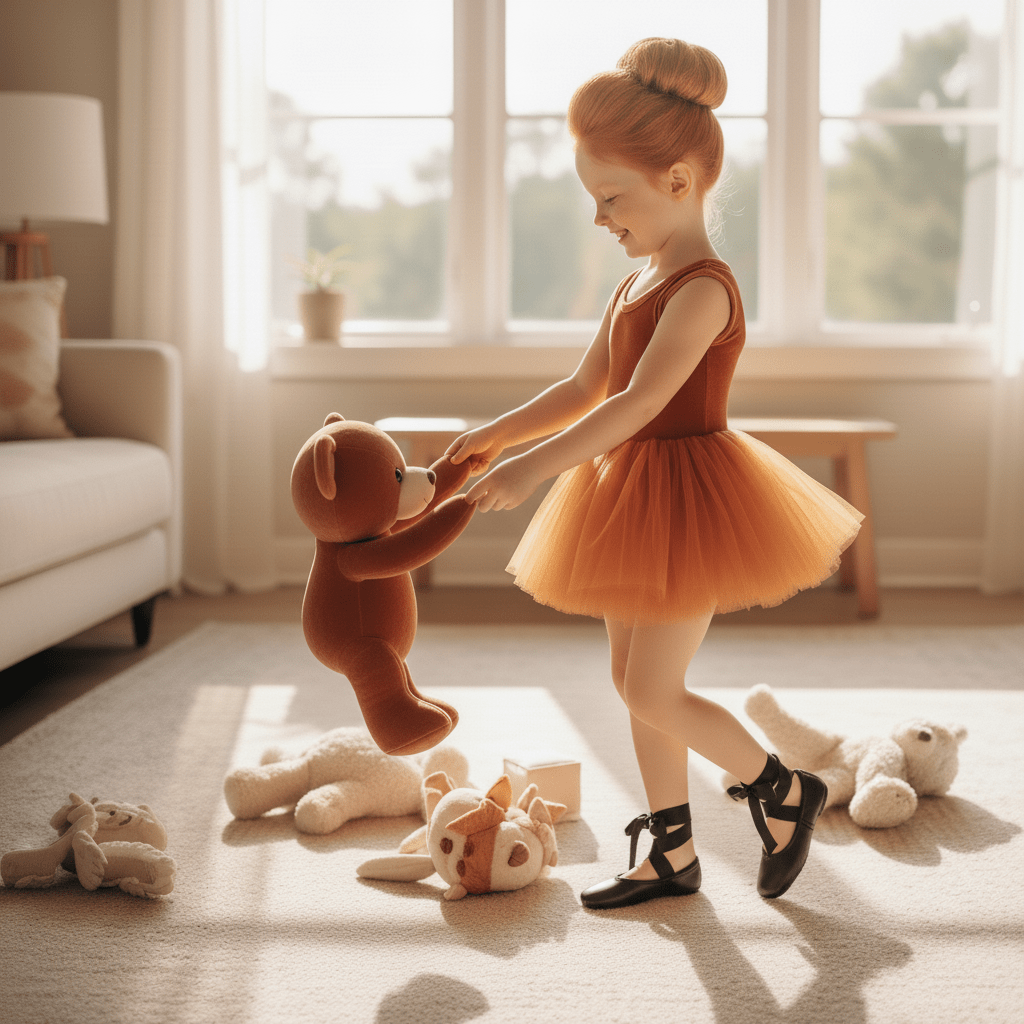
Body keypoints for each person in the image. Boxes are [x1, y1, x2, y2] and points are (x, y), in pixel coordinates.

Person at [447, 37, 863, 909]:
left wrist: (528, 470)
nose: (601, 218)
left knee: (651, 684)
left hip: (692, 497)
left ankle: (785, 791)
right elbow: (583, 387)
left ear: (678, 180)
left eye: (610, 197)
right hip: (626, 494)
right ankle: (671, 851)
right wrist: (494, 433)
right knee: (630, 680)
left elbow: (638, 403)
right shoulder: (637, 279)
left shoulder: (704, 287)